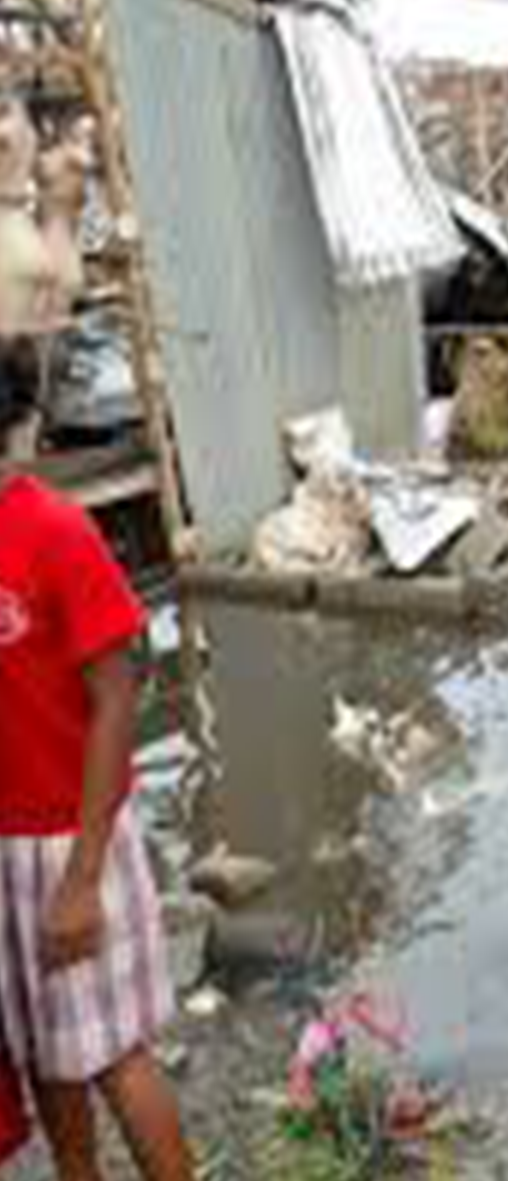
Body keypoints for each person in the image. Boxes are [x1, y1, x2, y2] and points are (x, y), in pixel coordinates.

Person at [0, 372, 196, 1179]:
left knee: (117, 1053)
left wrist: (81, 875)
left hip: (71, 836)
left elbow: (119, 694)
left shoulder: (53, 529)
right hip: (6, 844)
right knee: (46, 1048)